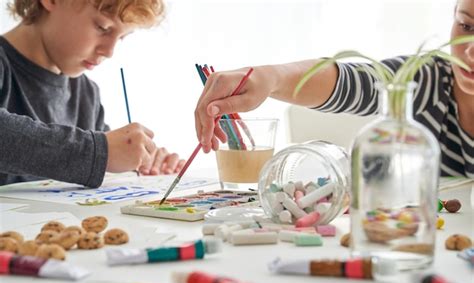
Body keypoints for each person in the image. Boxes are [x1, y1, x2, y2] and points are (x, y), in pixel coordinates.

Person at [194, 0, 474, 178]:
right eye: (466, 25)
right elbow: (352, 82)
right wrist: (271, 77)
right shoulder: (428, 79)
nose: (470, 52)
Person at [0, 0, 185, 188]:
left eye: (122, 37)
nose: (109, 51)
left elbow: (102, 151)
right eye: (103, 28)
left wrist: (143, 158)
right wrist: (98, 152)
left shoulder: (87, 94)